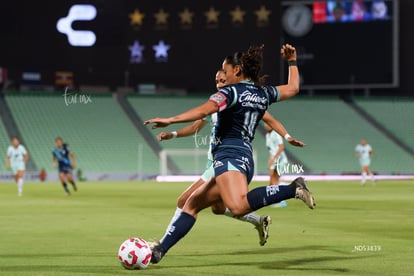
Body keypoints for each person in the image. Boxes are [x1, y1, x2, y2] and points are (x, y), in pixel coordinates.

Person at [145, 44, 315, 263]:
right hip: (240, 158)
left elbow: (204, 110)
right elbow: (293, 88)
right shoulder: (264, 93)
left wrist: (170, 119)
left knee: (237, 206)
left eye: (224, 71)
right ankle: (160, 250)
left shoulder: (230, 92)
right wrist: (292, 62)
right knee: (192, 203)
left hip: (230, 157)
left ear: (236, 71)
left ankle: (293, 188)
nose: (222, 76)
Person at [264, 122, 289, 208]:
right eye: (265, 124)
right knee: (271, 180)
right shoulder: (267, 135)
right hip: (274, 159)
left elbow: (281, 147)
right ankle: (273, 199)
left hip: (280, 160)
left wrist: (274, 158)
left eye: (268, 124)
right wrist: (270, 159)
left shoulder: (276, 134)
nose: (266, 125)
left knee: (275, 179)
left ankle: (280, 201)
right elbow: (271, 149)